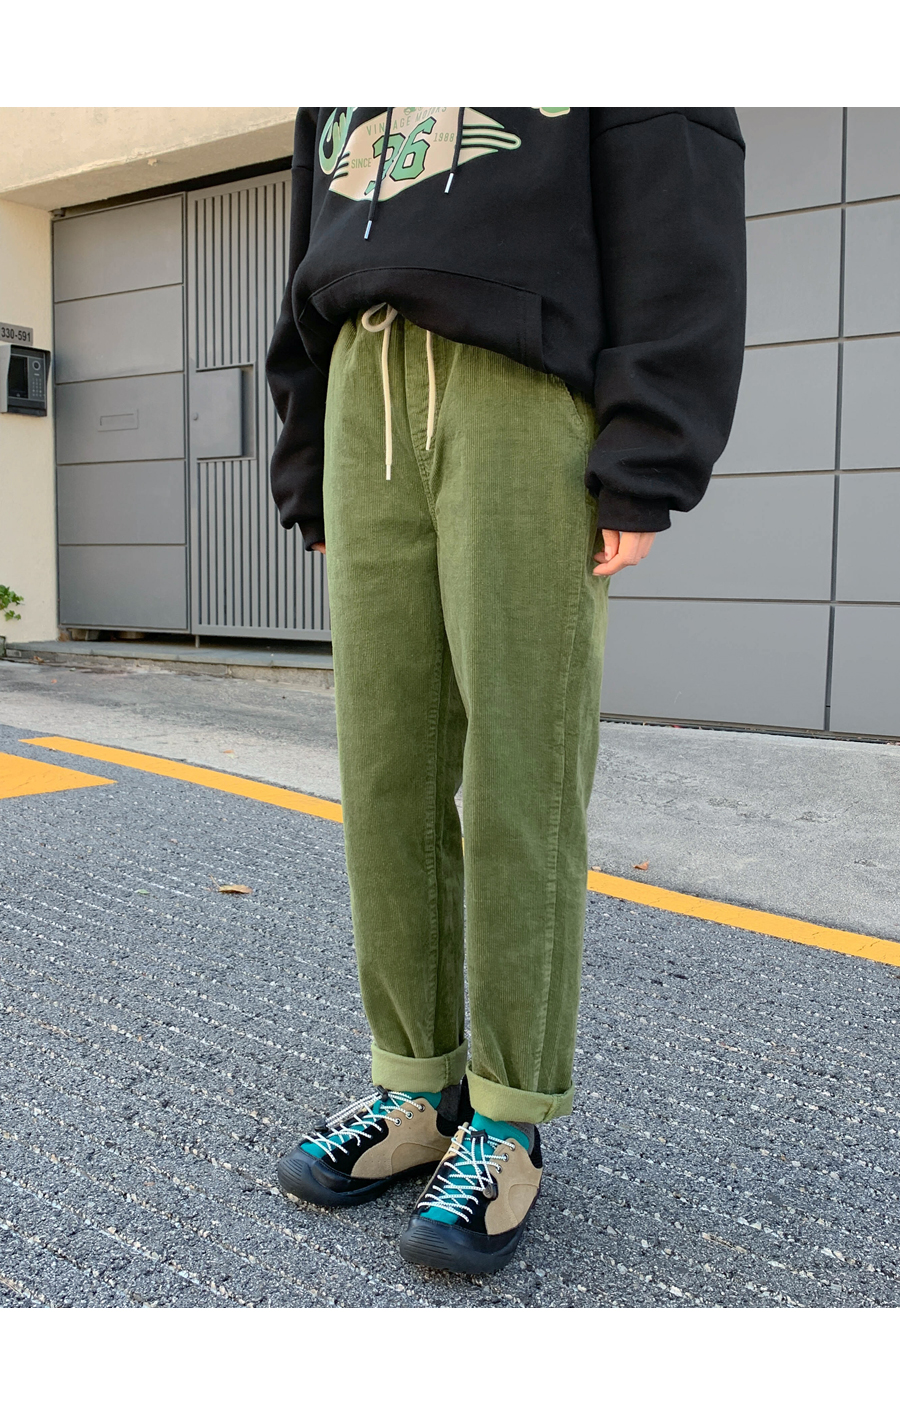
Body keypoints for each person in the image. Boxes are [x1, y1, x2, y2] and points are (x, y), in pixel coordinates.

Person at [265, 106, 746, 1275]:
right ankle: (415, 1087)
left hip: (522, 391)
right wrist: (308, 451)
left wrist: (648, 447)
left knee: (522, 771)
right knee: (385, 767)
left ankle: (510, 1115)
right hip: (362, 387)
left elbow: (677, 198)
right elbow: (311, 232)